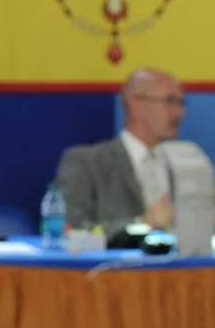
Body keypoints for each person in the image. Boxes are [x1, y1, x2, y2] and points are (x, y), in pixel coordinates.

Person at [56, 68, 186, 233]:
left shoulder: (183, 165)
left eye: (181, 103)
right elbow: (73, 228)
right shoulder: (87, 163)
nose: (180, 112)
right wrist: (141, 224)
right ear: (136, 105)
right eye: (170, 101)